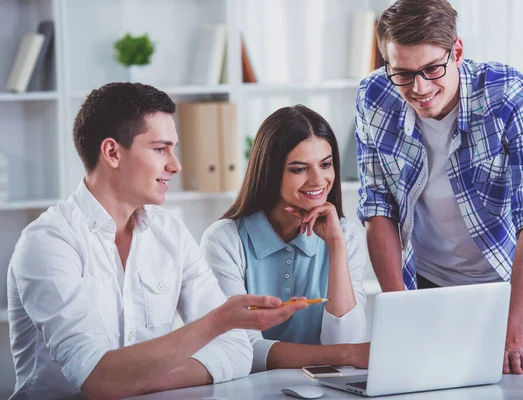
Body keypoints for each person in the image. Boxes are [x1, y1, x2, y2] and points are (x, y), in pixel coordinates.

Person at [7, 82, 307, 399]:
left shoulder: (171, 233)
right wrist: (218, 321)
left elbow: (236, 350)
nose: (175, 165)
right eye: (160, 149)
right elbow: (97, 379)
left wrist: (136, 381)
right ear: (112, 152)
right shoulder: (48, 242)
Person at [355, 0, 523, 375]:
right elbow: (378, 207)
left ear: (457, 51)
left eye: (432, 69)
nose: (419, 88)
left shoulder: (511, 97)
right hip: (430, 282)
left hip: (514, 282)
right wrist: (402, 312)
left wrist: (511, 343)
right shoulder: (374, 96)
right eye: (402, 73)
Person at [201, 105, 370, 372]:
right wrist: (346, 355)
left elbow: (345, 340)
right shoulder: (224, 240)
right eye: (299, 169)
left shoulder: (346, 235)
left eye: (325, 164)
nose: (318, 180)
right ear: (270, 172)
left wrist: (336, 247)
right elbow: (243, 350)